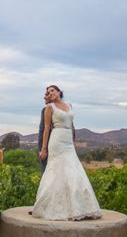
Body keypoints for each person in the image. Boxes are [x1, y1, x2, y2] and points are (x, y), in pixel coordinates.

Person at [32, 85, 101, 221]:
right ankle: (53, 206)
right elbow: (46, 129)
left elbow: (71, 124)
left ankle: (80, 207)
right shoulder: (49, 108)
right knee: (57, 170)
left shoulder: (69, 105)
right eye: (48, 92)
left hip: (68, 141)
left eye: (53, 90)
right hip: (56, 140)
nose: (50, 93)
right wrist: (44, 148)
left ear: (59, 92)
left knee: (73, 169)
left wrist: (73, 141)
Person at [38, 90, 51, 174]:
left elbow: (42, 131)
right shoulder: (65, 110)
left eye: (47, 95)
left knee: (46, 175)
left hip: (48, 149)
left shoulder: (45, 110)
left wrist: (42, 149)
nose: (44, 97)